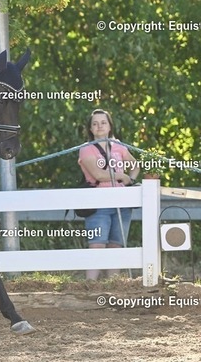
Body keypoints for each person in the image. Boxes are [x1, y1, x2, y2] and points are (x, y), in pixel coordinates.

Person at [78, 109, 140, 280]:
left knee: (116, 244)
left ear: (110, 126)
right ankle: (90, 284)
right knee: (97, 243)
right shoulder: (86, 149)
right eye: (95, 123)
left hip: (121, 201)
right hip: (98, 202)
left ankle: (113, 284)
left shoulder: (119, 146)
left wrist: (131, 181)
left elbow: (135, 165)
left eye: (103, 122)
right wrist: (122, 176)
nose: (99, 126)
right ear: (90, 128)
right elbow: (98, 175)